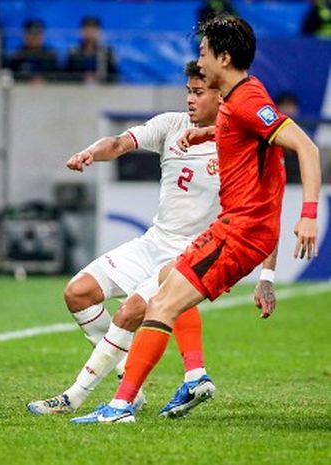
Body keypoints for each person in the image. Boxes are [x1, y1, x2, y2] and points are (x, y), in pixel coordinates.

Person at [89, 15, 320, 424]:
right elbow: (247, 135)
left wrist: (308, 215)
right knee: (165, 282)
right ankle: (193, 376)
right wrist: (208, 134)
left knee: (161, 305)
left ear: (224, 57)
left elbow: (306, 147)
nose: (199, 58)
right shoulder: (240, 96)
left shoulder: (248, 101)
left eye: (203, 51)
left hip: (241, 230)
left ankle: (121, 406)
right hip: (236, 227)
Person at [27, 60, 277, 418]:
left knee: (129, 312)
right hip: (153, 242)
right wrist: (90, 153)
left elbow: (266, 213)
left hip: (189, 255)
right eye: (188, 91)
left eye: (198, 92)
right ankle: (131, 373)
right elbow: (117, 143)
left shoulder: (238, 145)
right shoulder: (170, 125)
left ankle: (74, 397)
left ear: (221, 96)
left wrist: (266, 276)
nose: (190, 99)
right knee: (77, 292)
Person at [64, 16, 119, 83]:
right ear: (81, 31)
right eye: (86, 29)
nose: (90, 32)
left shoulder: (107, 52)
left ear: (100, 32)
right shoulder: (72, 52)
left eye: (94, 29)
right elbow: (66, 76)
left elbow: (114, 76)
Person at [5, 19, 60, 84]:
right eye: (32, 34)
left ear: (43, 35)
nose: (35, 37)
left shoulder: (51, 57)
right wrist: (27, 80)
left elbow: (60, 77)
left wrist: (44, 80)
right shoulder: (16, 57)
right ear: (25, 35)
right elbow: (8, 77)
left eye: (38, 34)